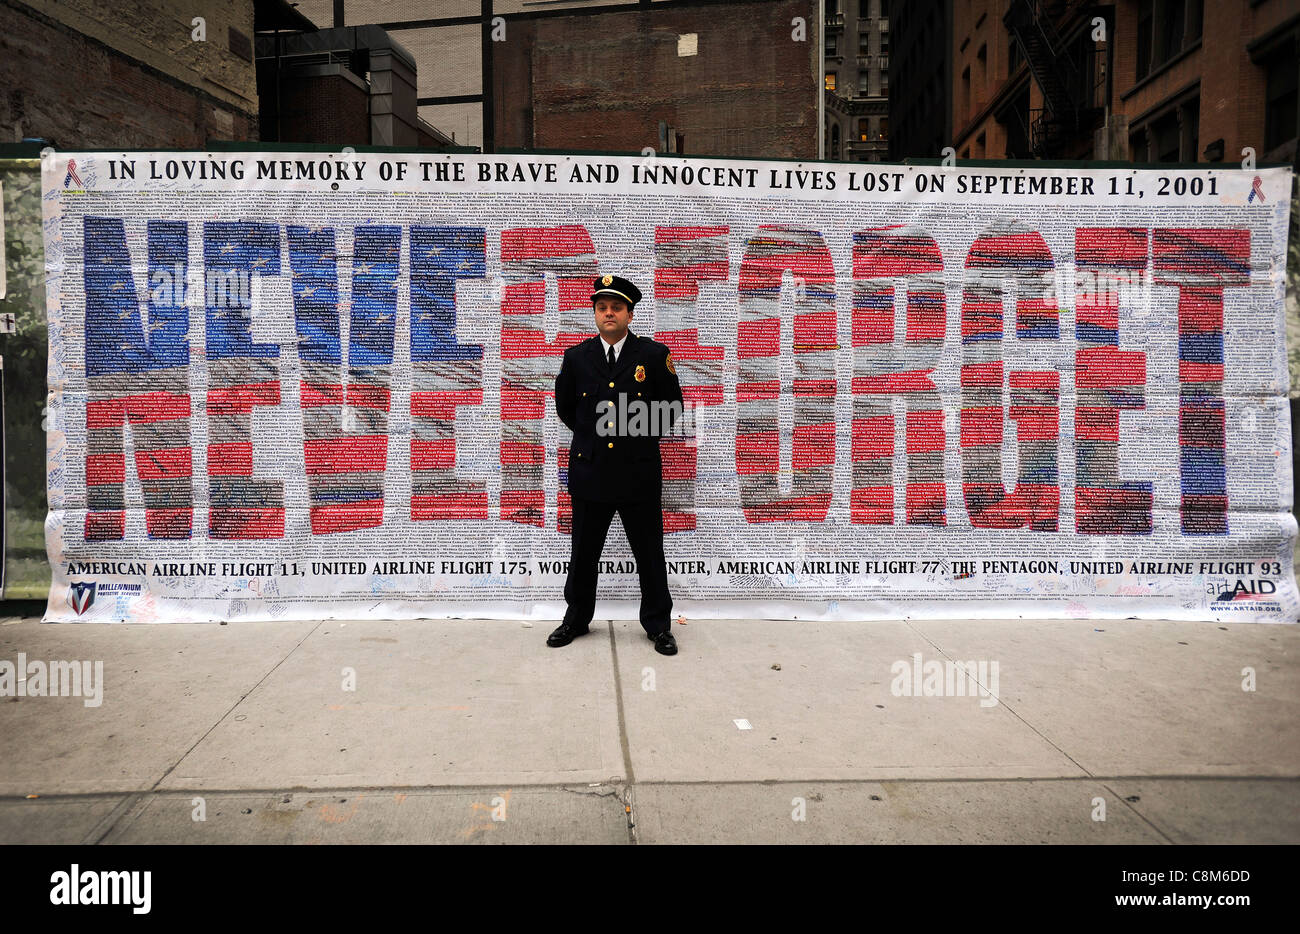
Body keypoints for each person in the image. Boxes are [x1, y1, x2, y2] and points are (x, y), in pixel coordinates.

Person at [549, 274, 684, 655]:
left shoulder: (653, 356)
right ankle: (575, 619)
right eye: (602, 307)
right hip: (590, 471)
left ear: (629, 314)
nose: (609, 313)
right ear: (594, 313)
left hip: (637, 471)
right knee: (584, 553)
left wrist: (624, 425)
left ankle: (658, 626)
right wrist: (598, 433)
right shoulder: (577, 357)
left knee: (649, 554)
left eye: (617, 308)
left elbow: (672, 408)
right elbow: (567, 409)